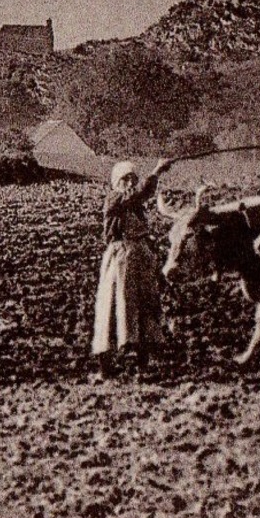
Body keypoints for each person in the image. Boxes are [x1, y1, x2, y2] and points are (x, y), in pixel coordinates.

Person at [92, 156, 174, 374]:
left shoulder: (134, 205)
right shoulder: (114, 200)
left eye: (132, 179)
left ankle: (142, 349)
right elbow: (141, 193)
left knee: (145, 301)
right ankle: (122, 348)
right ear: (116, 183)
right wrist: (156, 170)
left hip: (139, 256)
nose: (130, 183)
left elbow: (141, 196)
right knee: (121, 300)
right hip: (121, 256)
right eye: (125, 179)